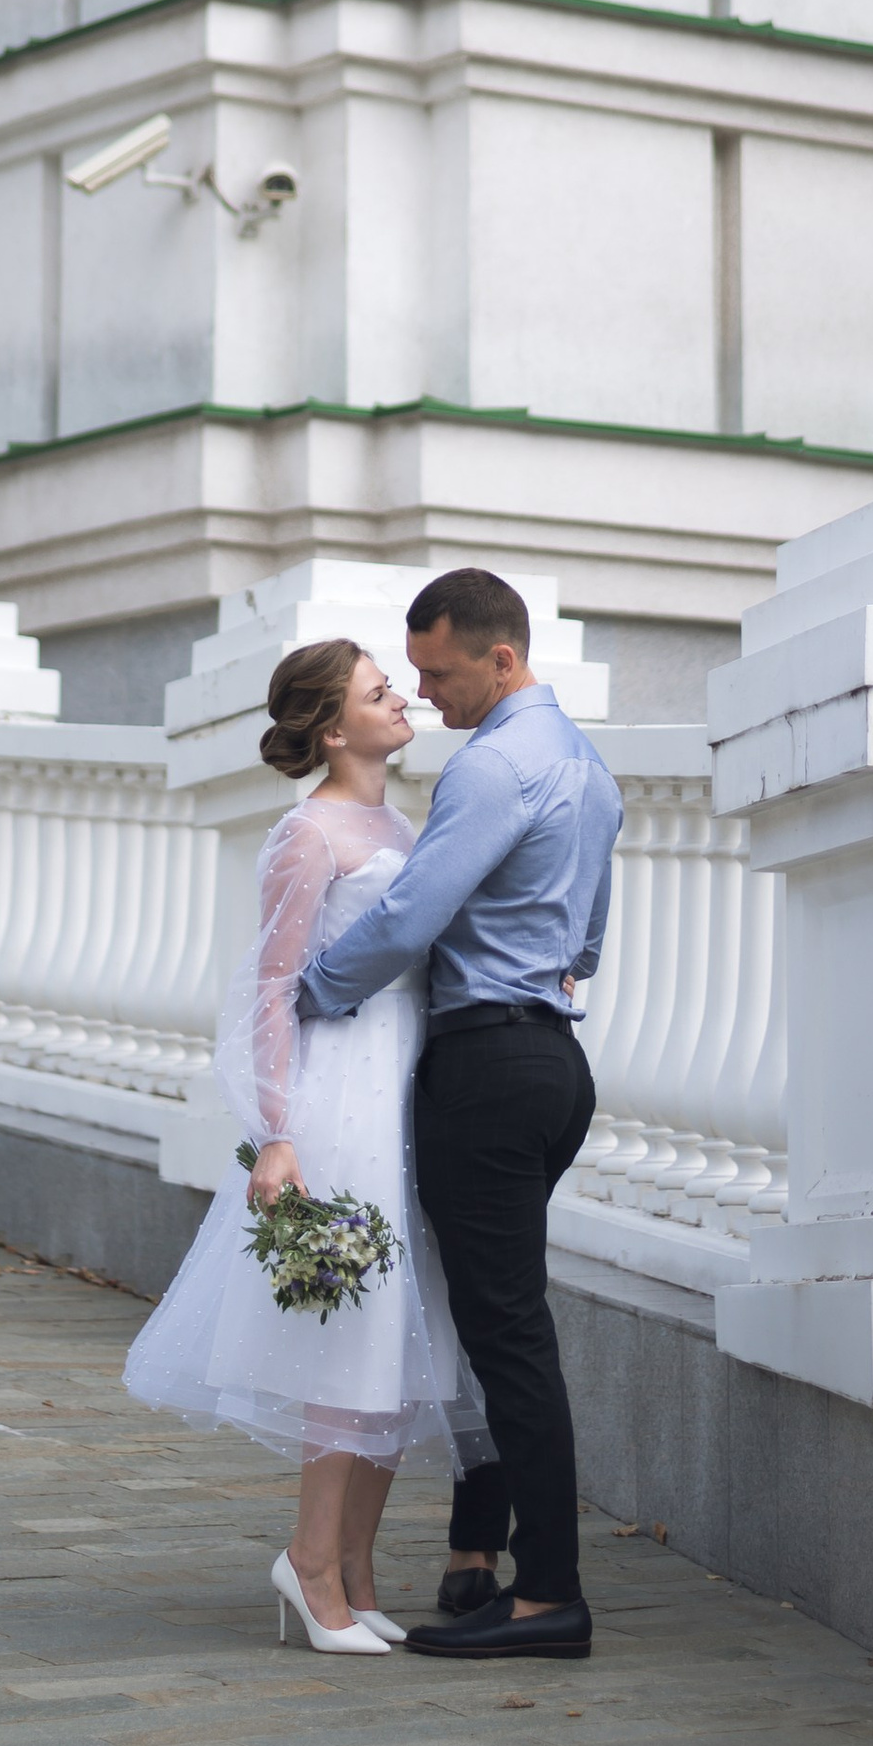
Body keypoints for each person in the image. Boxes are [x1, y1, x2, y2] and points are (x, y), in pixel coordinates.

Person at [121, 637, 489, 1655]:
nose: (403, 697)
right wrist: (274, 1135)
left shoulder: (401, 822)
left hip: (405, 1089)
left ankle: (358, 1572)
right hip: (342, 1100)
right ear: (334, 727)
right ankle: (311, 1564)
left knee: (404, 1347)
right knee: (352, 1344)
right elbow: (269, 991)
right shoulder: (307, 833)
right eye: (380, 692)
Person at [297, 568, 621, 1661]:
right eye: (412, 674)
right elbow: (585, 940)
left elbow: (408, 918)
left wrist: (314, 989)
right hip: (553, 1063)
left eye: (437, 672)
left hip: (485, 1067)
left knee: (504, 1337)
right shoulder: (587, 765)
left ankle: (548, 1594)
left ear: (501, 656)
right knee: (488, 1322)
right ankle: (482, 1560)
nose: (427, 695)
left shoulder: (494, 765)